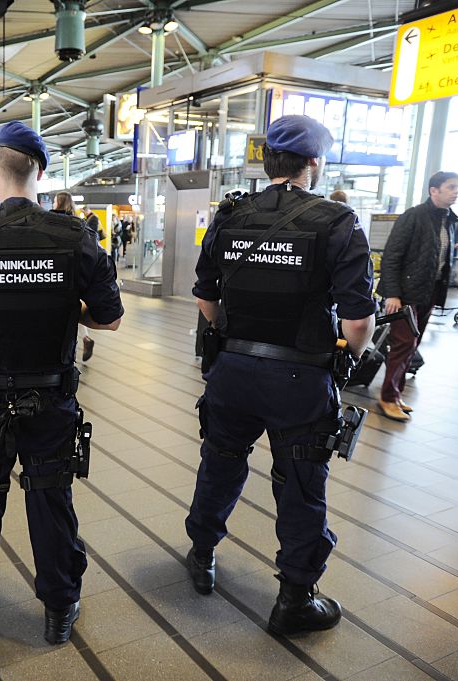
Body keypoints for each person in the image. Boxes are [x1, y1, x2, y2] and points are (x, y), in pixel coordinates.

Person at [0, 121, 123, 648]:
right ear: (40, 171)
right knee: (50, 498)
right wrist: (66, 308)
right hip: (52, 397)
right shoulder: (73, 236)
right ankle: (59, 608)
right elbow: (110, 318)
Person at [187, 115, 375, 636]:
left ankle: (202, 552)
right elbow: (358, 321)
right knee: (299, 483)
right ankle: (294, 598)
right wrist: (346, 352)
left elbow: (206, 297)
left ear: (266, 161)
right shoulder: (337, 222)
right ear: (314, 162)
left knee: (220, 462)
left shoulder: (230, 216)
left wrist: (235, 340)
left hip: (232, 371)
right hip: (301, 379)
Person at [376, 171, 458, 422]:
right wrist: (392, 293)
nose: (456, 192)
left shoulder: (447, 220)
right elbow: (392, 256)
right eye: (451, 187)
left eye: (457, 187)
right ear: (434, 190)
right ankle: (388, 398)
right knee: (404, 344)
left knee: (413, 345)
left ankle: (396, 394)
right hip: (405, 295)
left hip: (428, 292)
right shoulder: (414, 216)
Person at [53, 191, 98, 362]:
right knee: (74, 307)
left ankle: (70, 348)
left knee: (65, 312)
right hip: (78, 273)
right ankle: (85, 339)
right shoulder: (79, 223)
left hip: (61, 272)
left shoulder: (55, 222)